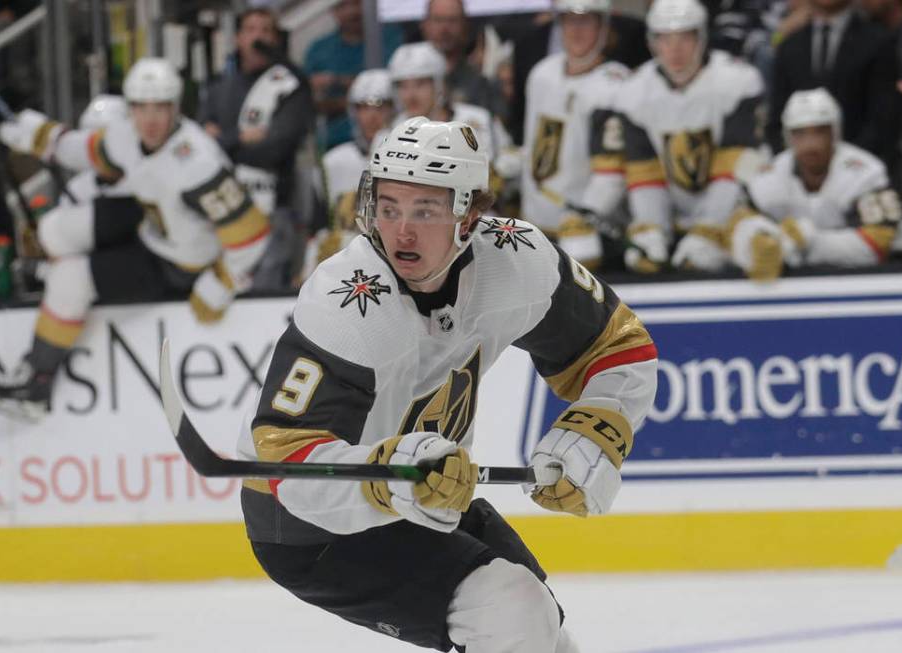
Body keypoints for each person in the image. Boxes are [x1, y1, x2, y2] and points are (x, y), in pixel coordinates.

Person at [237, 116, 657, 653]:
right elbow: (286, 463)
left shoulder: (516, 258)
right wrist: (388, 478)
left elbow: (619, 348)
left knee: (544, 632)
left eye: (425, 210)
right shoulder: (348, 300)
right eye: (388, 208)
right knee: (512, 611)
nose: (401, 231)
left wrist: (598, 427)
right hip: (307, 529)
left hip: (427, 494)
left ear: (470, 215)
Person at [0, 58, 271, 419]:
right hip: (150, 225)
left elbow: (251, 231)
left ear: (176, 108)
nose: (150, 119)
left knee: (71, 278)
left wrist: (222, 279)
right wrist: (35, 134)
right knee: (53, 231)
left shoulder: (198, 162)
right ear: (130, 108)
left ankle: (35, 381)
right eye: (141, 107)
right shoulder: (126, 133)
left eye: (160, 107)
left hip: (179, 265)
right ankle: (54, 289)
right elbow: (81, 150)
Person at [617, 0, 765, 275]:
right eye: (665, 38)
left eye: (685, 37)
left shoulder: (738, 81)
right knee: (641, 256)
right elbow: (645, 174)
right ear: (652, 42)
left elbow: (736, 168)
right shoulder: (633, 92)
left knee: (713, 257)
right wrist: (652, 229)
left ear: (702, 38)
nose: (675, 49)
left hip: (737, 209)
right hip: (675, 212)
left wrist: (709, 228)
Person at [729, 88, 902, 279]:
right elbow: (736, 229)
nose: (810, 144)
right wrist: (756, 243)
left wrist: (807, 241)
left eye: (819, 132)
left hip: (867, 281)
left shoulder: (866, 173)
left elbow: (876, 246)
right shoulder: (769, 177)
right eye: (800, 134)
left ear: (835, 133)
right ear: (787, 137)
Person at [199, 7, 312, 289]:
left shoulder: (290, 86)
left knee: (264, 292)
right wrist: (239, 137)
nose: (258, 36)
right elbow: (200, 147)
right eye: (250, 30)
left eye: (265, 30)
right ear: (238, 38)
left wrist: (222, 141)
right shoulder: (219, 88)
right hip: (221, 212)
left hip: (272, 210)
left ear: (276, 39)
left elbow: (275, 149)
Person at [521, 0, 630, 272]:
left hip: (586, 234)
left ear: (604, 27)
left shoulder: (615, 85)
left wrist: (588, 213)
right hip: (534, 226)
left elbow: (614, 171)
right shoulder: (541, 73)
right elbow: (536, 143)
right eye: (569, 21)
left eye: (586, 21)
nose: (576, 30)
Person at [767, 0, 902, 173]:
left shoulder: (879, 42)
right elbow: (776, 120)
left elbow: (884, 120)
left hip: (860, 172)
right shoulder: (789, 45)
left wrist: (843, 168)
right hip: (800, 178)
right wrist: (799, 168)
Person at [388, 42, 519, 205]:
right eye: (402, 86)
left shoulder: (477, 119)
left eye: (420, 84)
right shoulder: (391, 133)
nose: (410, 95)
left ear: (439, 85)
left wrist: (497, 173)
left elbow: (512, 158)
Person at [300, 69, 395, 280]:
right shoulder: (333, 161)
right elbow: (320, 224)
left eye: (380, 107)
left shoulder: (409, 158)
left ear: (392, 109)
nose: (372, 116)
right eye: (363, 107)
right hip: (344, 264)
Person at [304, 0, 404, 151]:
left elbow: (398, 87)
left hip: (391, 138)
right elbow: (309, 99)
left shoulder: (389, 38)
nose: (351, 12)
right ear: (333, 10)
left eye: (356, 3)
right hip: (335, 139)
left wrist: (335, 81)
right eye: (343, 5)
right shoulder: (319, 50)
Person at [421, 0, 506, 117]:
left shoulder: (483, 84)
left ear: (465, 25)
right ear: (425, 25)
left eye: (452, 20)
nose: (444, 28)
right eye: (438, 20)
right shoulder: (406, 81)